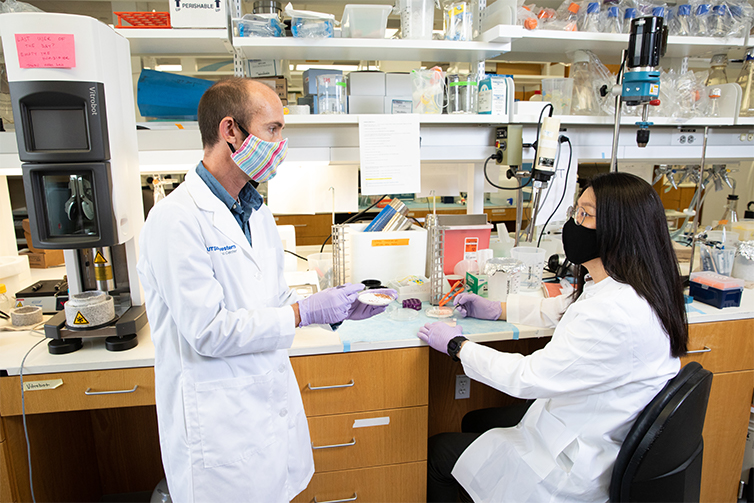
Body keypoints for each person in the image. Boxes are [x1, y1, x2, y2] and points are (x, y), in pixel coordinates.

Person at [137, 78, 389, 502]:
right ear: (230, 131)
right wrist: (304, 312)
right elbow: (208, 331)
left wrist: (332, 311)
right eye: (272, 129)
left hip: (264, 415)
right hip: (218, 430)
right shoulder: (175, 219)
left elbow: (270, 301)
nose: (280, 143)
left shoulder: (256, 213)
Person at [417, 172, 688, 502]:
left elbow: (527, 378)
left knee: (438, 452)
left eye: (585, 215)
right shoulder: (640, 287)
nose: (574, 222)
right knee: (477, 417)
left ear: (618, 231)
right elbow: (560, 307)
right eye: (577, 210)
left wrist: (458, 346)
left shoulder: (613, 312)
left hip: (573, 465)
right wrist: (497, 308)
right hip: (594, 424)